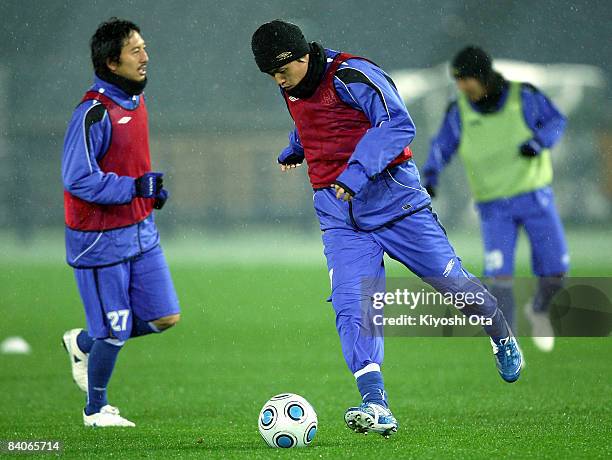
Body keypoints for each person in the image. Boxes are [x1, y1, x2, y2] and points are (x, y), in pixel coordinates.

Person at [251, 20, 523, 438]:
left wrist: (356, 172)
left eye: (282, 71)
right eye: (271, 74)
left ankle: (499, 332)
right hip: (339, 214)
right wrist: (297, 147)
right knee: (351, 305)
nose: (278, 80)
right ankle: (375, 403)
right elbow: (318, 120)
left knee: (454, 286)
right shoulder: (292, 81)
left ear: (302, 55)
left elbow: (398, 125)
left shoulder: (353, 74)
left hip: (395, 201)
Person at [61, 18, 180, 427]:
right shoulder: (92, 113)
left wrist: (149, 192)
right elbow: (77, 178)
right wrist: (132, 188)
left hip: (140, 230)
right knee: (115, 328)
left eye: (144, 48)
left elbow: (130, 169)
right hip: (99, 239)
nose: (146, 58)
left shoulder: (136, 102)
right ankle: (95, 410)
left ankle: (82, 343)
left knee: (165, 317)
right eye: (135, 51)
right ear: (112, 62)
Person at [423, 46, 569, 352]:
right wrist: (431, 176)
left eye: (465, 80)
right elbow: (441, 146)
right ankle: (508, 344)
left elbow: (556, 121)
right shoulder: (459, 110)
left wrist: (539, 142)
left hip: (534, 198)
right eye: (457, 81)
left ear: (483, 76)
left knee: (555, 273)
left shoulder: (524, 97)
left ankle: (539, 309)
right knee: (499, 280)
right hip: (494, 207)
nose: (461, 87)